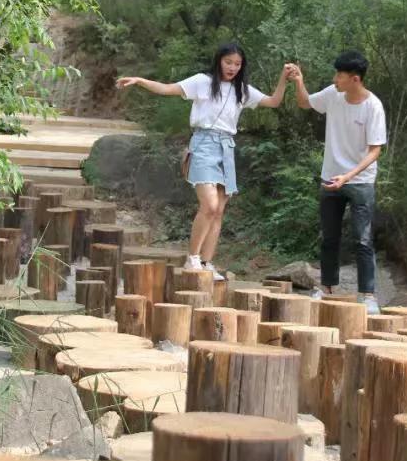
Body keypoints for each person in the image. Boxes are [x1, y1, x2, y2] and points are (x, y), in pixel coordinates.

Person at [117, 43, 289, 279]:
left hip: (226, 147)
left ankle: (207, 262)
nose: (232, 68)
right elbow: (167, 89)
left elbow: (273, 101)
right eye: (228, 62)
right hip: (204, 143)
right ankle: (192, 258)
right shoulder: (202, 81)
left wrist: (284, 78)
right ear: (219, 61)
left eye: (237, 64)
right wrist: (140, 81)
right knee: (209, 205)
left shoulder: (242, 90)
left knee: (218, 210)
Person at [289, 51, 386, 314]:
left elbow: (375, 150)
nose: (335, 80)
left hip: (360, 181)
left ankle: (367, 295)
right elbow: (305, 103)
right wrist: (299, 81)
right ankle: (326, 287)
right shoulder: (333, 94)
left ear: (355, 79)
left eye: (339, 76)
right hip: (331, 177)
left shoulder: (372, 106)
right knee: (328, 237)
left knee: (363, 239)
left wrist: (349, 176)